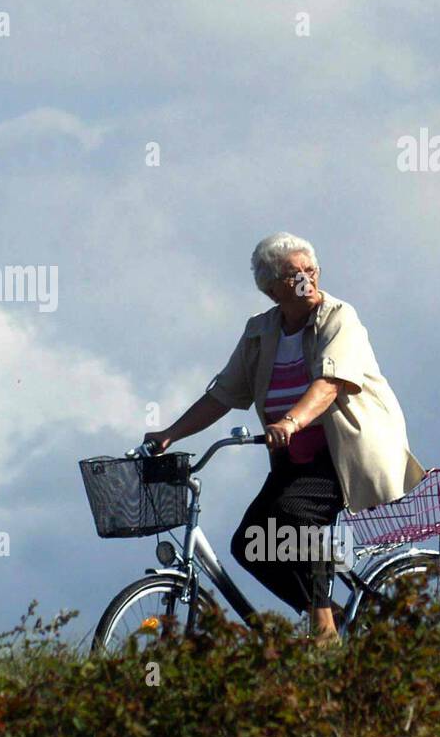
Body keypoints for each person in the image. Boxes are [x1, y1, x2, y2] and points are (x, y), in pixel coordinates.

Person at [144, 232, 424, 643]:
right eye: (295, 275)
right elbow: (223, 394)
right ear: (272, 288)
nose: (308, 281)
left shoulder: (339, 318)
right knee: (249, 543)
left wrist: (290, 423)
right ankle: (326, 617)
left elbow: (329, 384)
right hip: (295, 460)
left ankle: (324, 632)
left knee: (292, 518)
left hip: (344, 453)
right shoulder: (261, 332)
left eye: (312, 271)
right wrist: (171, 434)